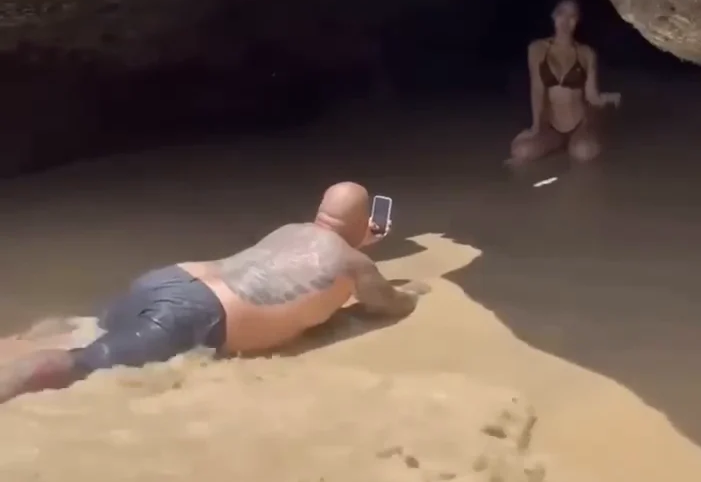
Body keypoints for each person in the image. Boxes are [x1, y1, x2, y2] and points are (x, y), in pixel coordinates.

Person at [0, 182, 426, 406]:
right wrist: (417, 292)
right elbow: (387, 306)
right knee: (81, 364)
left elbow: (320, 248)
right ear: (364, 223)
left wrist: (354, 240)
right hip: (193, 313)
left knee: (86, 330)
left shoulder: (292, 231)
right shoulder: (354, 262)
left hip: (168, 279)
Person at [508, 0, 621, 165]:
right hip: (551, 125)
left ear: (577, 21)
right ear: (553, 16)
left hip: (580, 122)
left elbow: (591, 96)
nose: (566, 21)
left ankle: (586, 136)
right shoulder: (537, 48)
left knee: (583, 152)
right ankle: (561, 143)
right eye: (561, 13)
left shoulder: (586, 53)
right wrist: (535, 127)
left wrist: (609, 98)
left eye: (572, 16)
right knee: (520, 151)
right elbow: (537, 89)